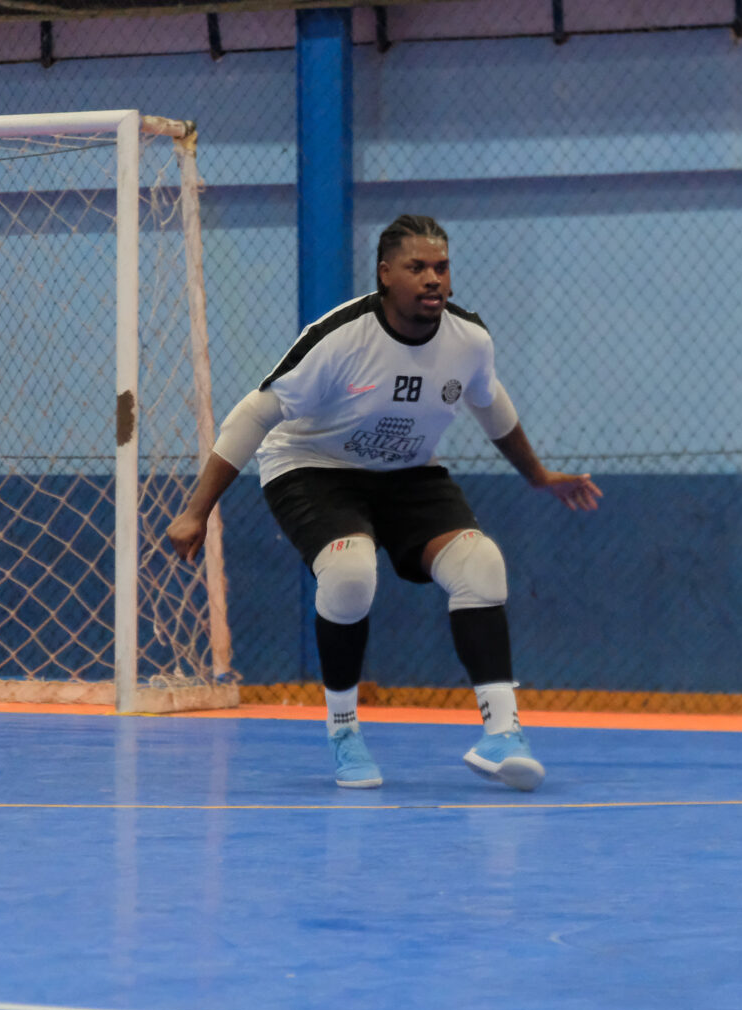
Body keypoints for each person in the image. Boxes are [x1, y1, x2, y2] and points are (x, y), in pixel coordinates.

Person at [167, 215, 601, 792]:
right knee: (350, 573)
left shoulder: (469, 340)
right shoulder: (341, 337)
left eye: (441, 267)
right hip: (312, 467)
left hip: (407, 472)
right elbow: (255, 413)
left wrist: (539, 476)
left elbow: (490, 402)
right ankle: (344, 732)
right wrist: (197, 510)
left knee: (481, 565)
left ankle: (502, 735)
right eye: (417, 268)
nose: (433, 279)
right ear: (385, 274)